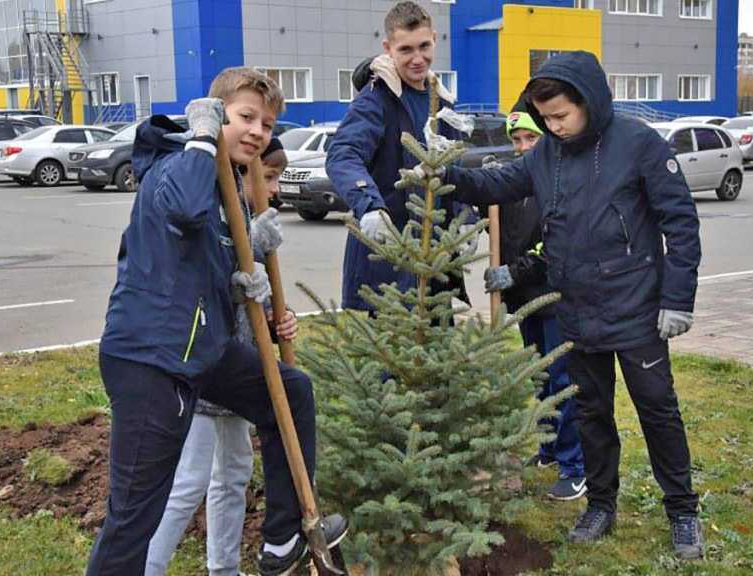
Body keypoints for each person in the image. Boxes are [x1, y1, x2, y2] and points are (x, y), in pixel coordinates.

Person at [430, 51, 704, 559]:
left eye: (560, 117)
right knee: (591, 411)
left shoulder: (639, 144)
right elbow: (498, 183)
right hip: (575, 308)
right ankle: (600, 503)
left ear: (590, 102)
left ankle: (683, 512)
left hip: (637, 308)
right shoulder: (546, 154)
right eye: (546, 119)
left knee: (658, 412)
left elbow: (680, 225)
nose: (553, 128)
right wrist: (449, 164)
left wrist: (677, 298)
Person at [87, 67, 345, 576]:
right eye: (245, 117)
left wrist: (249, 287)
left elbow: (206, 269)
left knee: (289, 392)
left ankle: (280, 541)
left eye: (268, 124)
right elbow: (182, 210)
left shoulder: (228, 191)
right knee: (134, 517)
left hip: (200, 351)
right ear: (214, 113)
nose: (258, 132)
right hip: (151, 360)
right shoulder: (177, 166)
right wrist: (201, 137)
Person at [144, 141, 294, 576]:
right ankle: (147, 567)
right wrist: (248, 249)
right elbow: (207, 284)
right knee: (188, 480)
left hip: (242, 363)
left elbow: (256, 302)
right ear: (236, 175)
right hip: (205, 366)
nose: (276, 188)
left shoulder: (250, 220)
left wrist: (278, 320)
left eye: (277, 177)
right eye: (267, 177)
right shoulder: (213, 214)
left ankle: (224, 569)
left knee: (233, 475)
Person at [327, 1, 470, 313]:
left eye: (424, 46)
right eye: (406, 50)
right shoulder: (377, 98)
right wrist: (369, 206)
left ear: (435, 38)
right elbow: (342, 154)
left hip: (436, 262)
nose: (418, 59)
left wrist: (464, 218)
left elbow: (454, 169)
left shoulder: (441, 101)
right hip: (388, 261)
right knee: (389, 359)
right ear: (387, 47)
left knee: (439, 354)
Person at [480, 105, 585, 501]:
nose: (523, 147)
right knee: (539, 379)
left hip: (557, 298)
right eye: (517, 140)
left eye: (531, 138)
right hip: (526, 302)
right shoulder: (516, 183)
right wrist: (484, 186)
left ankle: (577, 466)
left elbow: (551, 246)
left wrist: (515, 271)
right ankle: (549, 449)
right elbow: (498, 228)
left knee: (562, 380)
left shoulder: (559, 183)